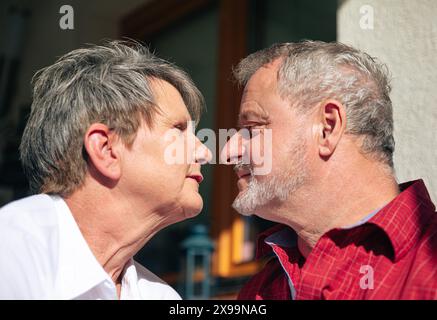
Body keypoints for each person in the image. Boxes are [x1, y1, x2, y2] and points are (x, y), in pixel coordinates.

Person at [221, 41, 437, 299]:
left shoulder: (429, 265)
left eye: (253, 128)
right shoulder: (258, 291)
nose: (228, 152)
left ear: (327, 128)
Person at [0, 41, 211, 299]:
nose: (204, 152)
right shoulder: (11, 249)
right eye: (178, 129)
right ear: (106, 148)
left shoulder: (162, 296)